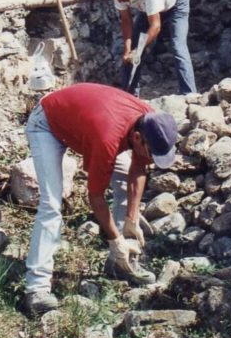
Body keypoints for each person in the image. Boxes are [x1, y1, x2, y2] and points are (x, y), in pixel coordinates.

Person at [23, 82, 179, 316]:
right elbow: (95, 197)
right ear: (137, 138)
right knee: (51, 205)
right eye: (152, 153)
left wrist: (132, 218)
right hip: (46, 123)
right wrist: (114, 239)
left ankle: (120, 265)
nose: (152, 159)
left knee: (124, 179)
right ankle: (36, 289)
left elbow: (138, 168)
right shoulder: (108, 139)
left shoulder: (148, 119)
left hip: (84, 120)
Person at [102, 0, 197, 96]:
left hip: (176, 5)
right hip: (148, 10)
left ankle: (190, 95)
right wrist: (128, 50)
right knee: (131, 51)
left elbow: (155, 26)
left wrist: (138, 50)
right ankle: (129, 97)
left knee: (178, 46)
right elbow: (126, 21)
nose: (119, 0)